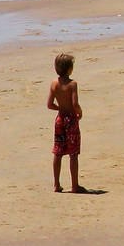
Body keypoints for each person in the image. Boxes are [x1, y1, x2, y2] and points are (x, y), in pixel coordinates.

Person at [48, 52, 83, 192]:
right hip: (71, 120)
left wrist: (60, 107)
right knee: (73, 154)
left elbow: (49, 104)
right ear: (69, 69)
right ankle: (74, 185)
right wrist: (79, 112)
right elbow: (75, 103)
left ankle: (56, 184)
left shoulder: (54, 84)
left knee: (58, 152)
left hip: (60, 119)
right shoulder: (72, 84)